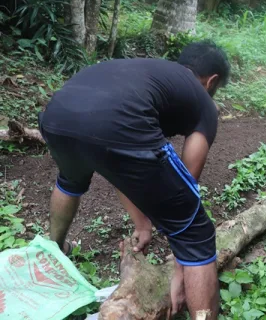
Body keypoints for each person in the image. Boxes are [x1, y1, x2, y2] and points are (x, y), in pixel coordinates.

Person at [37, 41, 230, 320]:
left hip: (57, 115)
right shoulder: (204, 105)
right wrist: (181, 269)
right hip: (117, 121)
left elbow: (121, 164)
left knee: (70, 181)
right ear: (212, 81)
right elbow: (186, 192)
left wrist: (143, 223)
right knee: (196, 233)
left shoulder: (148, 72)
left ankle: (56, 250)